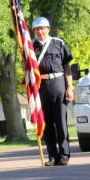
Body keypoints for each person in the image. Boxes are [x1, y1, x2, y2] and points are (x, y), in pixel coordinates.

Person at [31, 17, 74, 166]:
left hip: (58, 82)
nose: (40, 32)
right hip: (41, 86)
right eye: (37, 29)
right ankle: (52, 155)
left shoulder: (58, 43)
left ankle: (64, 155)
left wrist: (69, 87)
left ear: (48, 29)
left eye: (42, 28)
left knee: (61, 121)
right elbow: (29, 69)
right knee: (47, 123)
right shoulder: (30, 47)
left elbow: (67, 67)